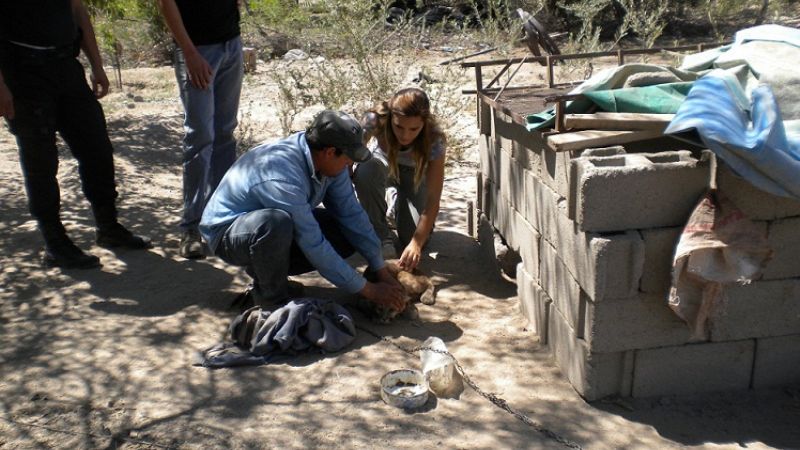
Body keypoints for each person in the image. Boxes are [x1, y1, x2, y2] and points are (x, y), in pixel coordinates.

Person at [200, 110, 405, 312]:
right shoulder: (281, 175)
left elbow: (351, 214)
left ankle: (268, 274)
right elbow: (312, 242)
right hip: (227, 232)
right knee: (275, 223)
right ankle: (272, 301)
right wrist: (369, 290)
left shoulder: (329, 162)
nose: (350, 164)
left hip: (267, 226)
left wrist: (381, 270)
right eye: (348, 158)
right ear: (330, 152)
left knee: (344, 231)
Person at [0, 0, 150, 270]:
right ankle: (55, 242)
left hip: (66, 67)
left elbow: (77, 9)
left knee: (97, 148)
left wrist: (97, 65)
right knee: (41, 162)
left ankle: (108, 226)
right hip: (22, 73)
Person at [157, 0, 244, 259]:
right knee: (201, 137)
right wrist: (189, 53)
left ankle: (223, 218)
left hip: (231, 43)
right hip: (198, 50)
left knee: (225, 134)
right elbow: (166, 3)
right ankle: (191, 227)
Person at [353, 87, 446, 272]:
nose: (405, 135)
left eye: (414, 129)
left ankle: (396, 203)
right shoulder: (374, 120)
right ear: (390, 119)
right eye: (399, 127)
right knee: (365, 171)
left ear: (424, 123)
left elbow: (433, 199)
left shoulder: (434, 138)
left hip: (414, 177)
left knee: (414, 239)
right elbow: (350, 155)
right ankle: (380, 236)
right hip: (382, 168)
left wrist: (416, 243)